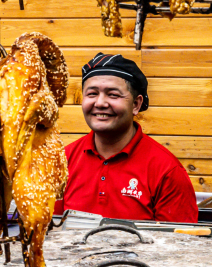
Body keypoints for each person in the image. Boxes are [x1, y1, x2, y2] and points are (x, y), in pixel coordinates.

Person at [55, 53, 198, 222]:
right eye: (92, 94)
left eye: (113, 95)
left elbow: (181, 243)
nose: (100, 103)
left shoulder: (167, 171)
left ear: (136, 104)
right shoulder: (61, 161)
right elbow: (51, 229)